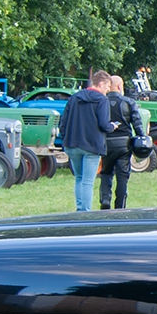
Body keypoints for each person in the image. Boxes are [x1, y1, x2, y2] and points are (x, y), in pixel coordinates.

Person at [62, 70, 116, 211]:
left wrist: (65, 138)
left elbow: (63, 122)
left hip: (72, 143)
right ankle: (85, 212)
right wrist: (113, 126)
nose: (108, 90)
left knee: (79, 178)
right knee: (88, 181)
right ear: (101, 83)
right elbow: (104, 124)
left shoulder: (74, 98)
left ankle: (80, 209)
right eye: (107, 86)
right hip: (92, 145)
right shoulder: (102, 100)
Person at [98, 75, 144, 210]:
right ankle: (120, 206)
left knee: (106, 173)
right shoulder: (128, 102)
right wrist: (142, 137)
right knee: (122, 176)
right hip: (124, 144)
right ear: (119, 86)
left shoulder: (102, 102)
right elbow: (137, 122)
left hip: (106, 142)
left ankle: (105, 199)